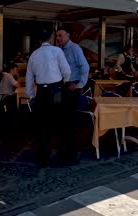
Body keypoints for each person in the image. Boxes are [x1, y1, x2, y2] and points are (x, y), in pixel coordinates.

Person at [26, 31, 71, 167]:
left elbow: (29, 77)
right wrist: (65, 83)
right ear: (51, 38)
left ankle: (42, 158)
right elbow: (66, 71)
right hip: (56, 90)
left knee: (42, 125)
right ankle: (64, 155)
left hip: (41, 92)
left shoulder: (34, 54)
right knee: (61, 122)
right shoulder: (56, 51)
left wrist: (31, 95)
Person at [56, 29, 90, 164]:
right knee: (63, 120)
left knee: (72, 121)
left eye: (61, 35)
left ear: (67, 36)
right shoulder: (59, 50)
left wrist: (80, 85)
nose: (58, 38)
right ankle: (64, 151)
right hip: (62, 87)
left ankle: (74, 152)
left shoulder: (75, 48)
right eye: (57, 36)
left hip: (72, 87)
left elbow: (85, 67)